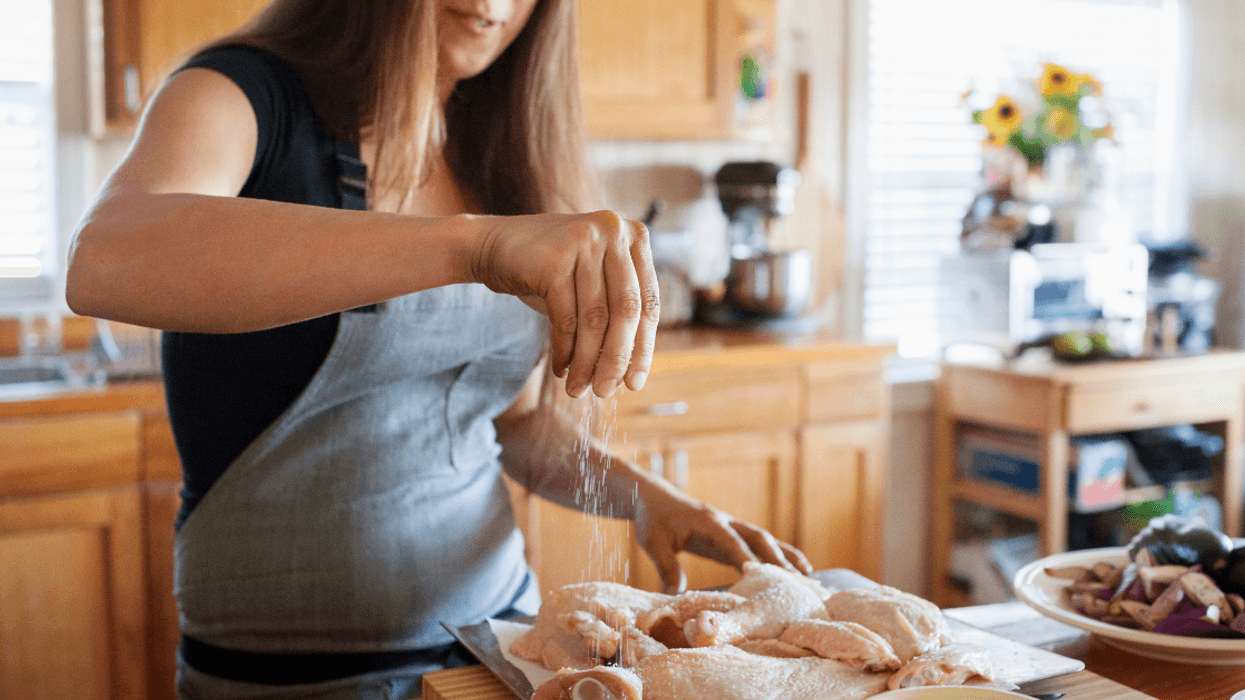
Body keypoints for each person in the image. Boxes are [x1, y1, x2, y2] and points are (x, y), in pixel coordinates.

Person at [65, 0, 813, 696]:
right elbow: (106, 257)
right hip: (286, 674)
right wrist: (474, 244)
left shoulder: (496, 145)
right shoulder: (240, 95)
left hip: (496, 647)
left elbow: (513, 426)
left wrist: (651, 500)